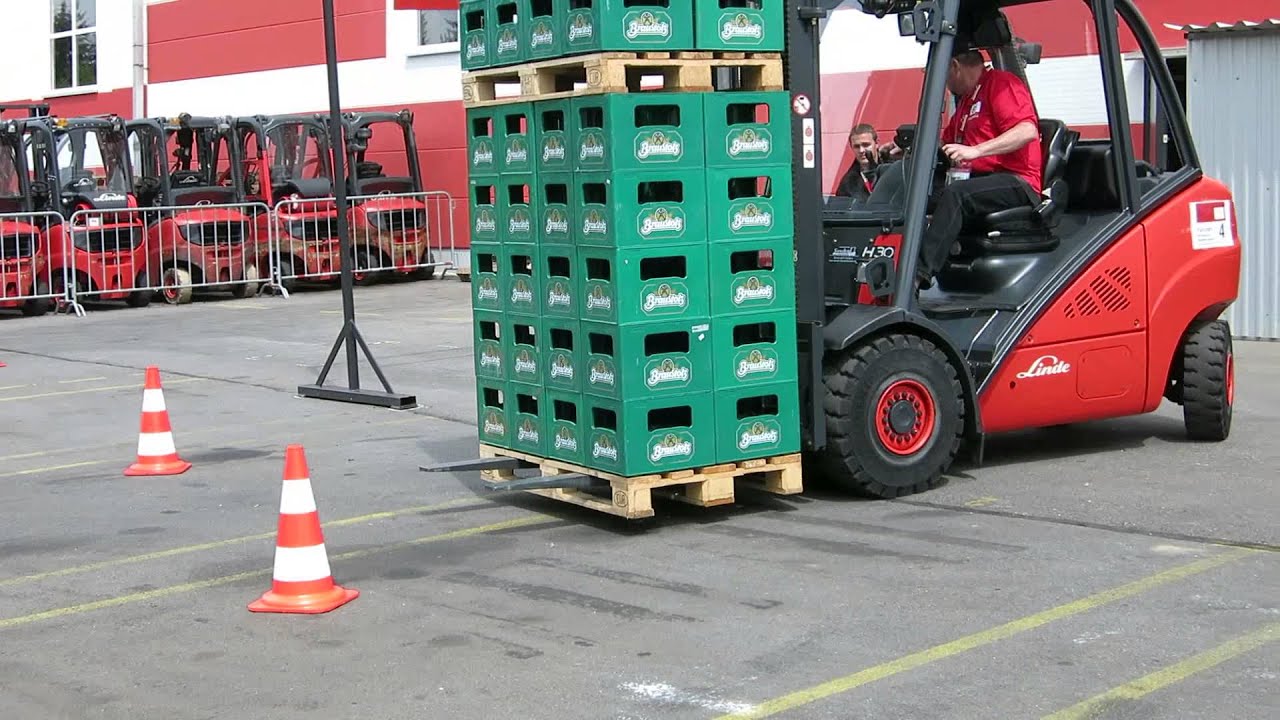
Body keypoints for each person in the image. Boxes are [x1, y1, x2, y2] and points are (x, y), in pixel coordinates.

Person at [915, 47, 1042, 288]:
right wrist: (905, 147)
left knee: (956, 194)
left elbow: (1026, 131)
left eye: (942, 74)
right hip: (980, 180)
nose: (944, 83)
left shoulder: (1001, 84)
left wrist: (976, 151)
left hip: (1016, 181)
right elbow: (945, 143)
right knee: (919, 192)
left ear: (954, 66)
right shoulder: (967, 102)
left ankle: (918, 276)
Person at [834, 123, 885, 201]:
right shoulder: (847, 184)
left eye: (866, 145)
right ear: (851, 147)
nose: (861, 150)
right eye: (857, 146)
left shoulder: (893, 169)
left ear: (877, 143)